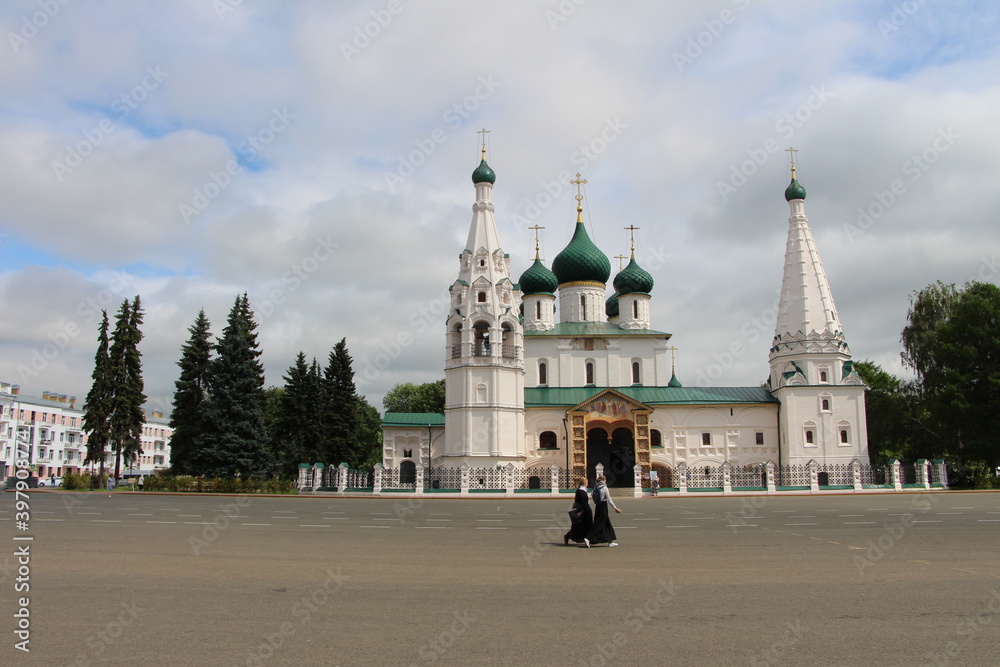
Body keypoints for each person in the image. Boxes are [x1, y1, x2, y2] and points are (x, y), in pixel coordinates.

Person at [584, 475, 622, 547]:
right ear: (604, 480)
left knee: (607, 523)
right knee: (599, 524)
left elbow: (591, 495)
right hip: (603, 507)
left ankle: (610, 541)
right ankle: (588, 538)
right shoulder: (604, 488)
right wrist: (615, 508)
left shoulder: (596, 487)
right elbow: (609, 500)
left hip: (598, 506)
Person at [564, 477, 593, 545]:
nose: (587, 484)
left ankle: (584, 538)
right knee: (583, 525)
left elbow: (577, 501)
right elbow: (583, 503)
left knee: (580, 525)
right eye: (587, 483)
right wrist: (582, 511)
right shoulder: (582, 492)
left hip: (582, 510)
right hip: (584, 510)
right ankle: (585, 538)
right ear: (585, 483)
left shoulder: (579, 490)